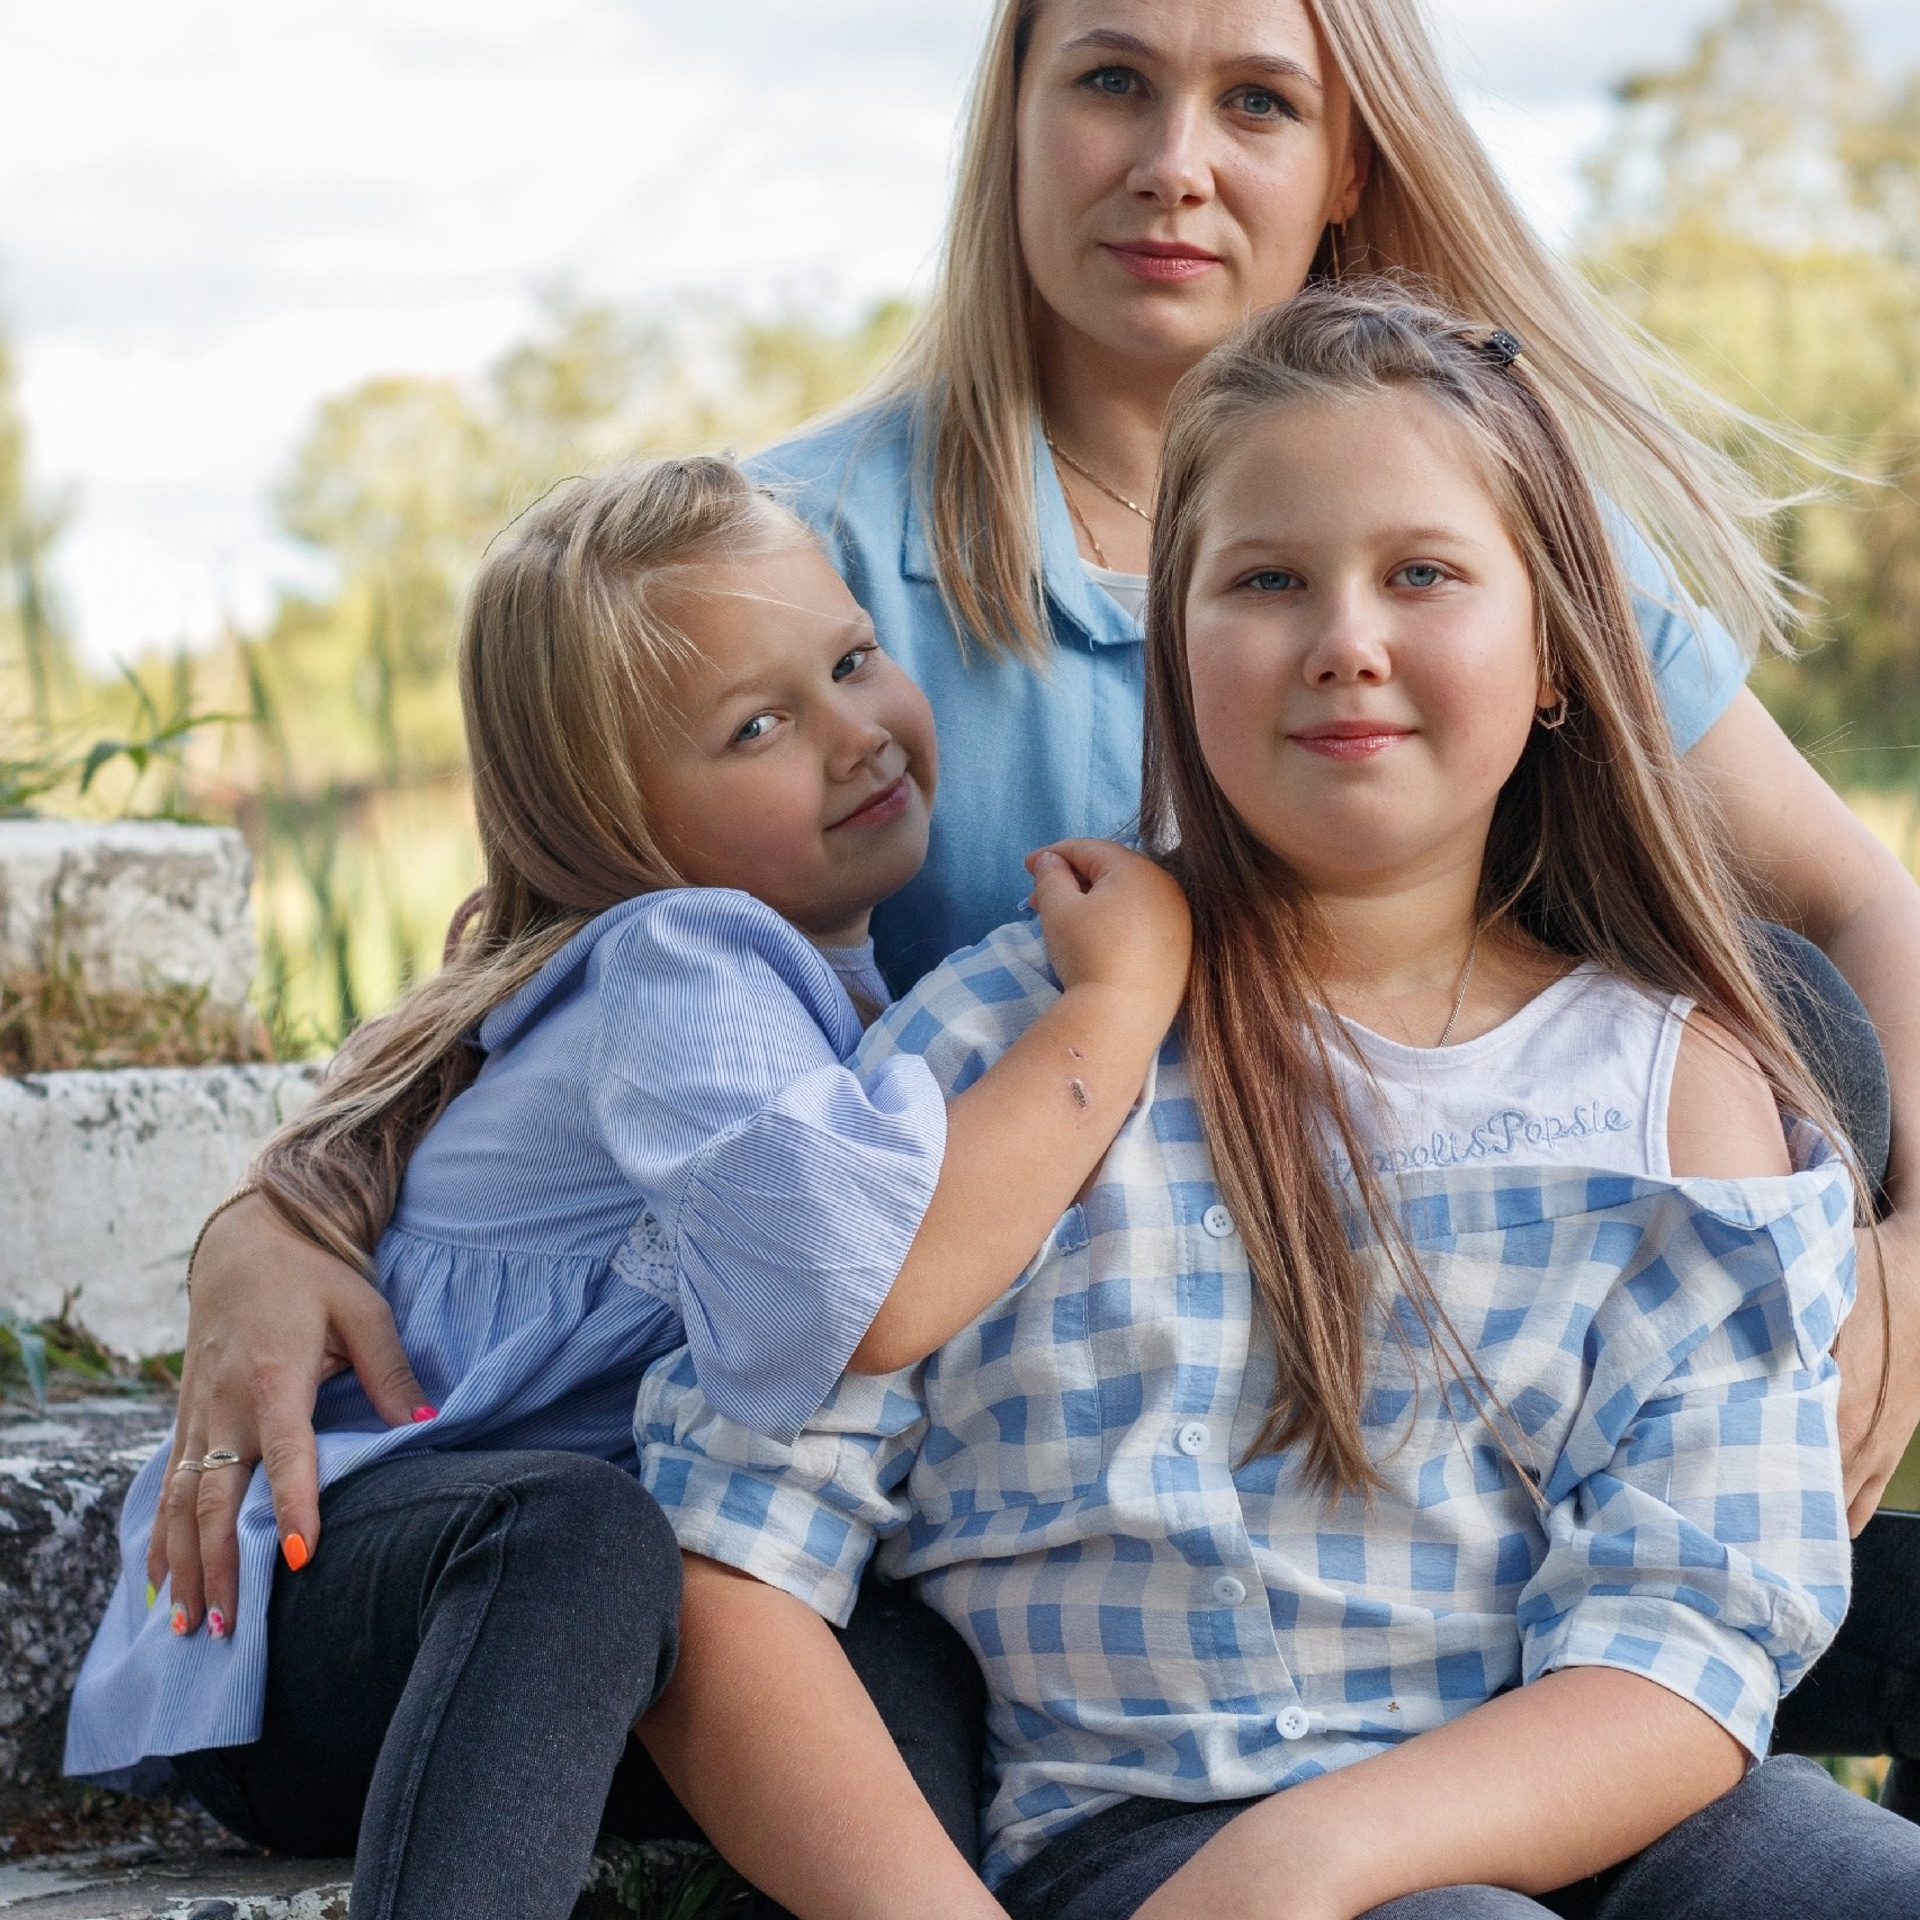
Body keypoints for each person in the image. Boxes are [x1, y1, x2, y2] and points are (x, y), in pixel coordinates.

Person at [161, 0, 1917, 1829]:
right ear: (1007, 122)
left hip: (1448, 1326)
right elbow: (571, 962)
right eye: (1107, 82)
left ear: (1348, 167)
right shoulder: (805, 554)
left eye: (1255, 101)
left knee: (1785, 1017)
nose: (1173, 162)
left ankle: (1646, 1683)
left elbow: (1856, 902)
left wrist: (1901, 1275)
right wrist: (277, 1216)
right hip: (1005, 1402)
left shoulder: (1480, 480)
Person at [632, 287, 1920, 1920]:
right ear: (1174, 650)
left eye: (1426, 574)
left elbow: (1692, 1634)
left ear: (1554, 658)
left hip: (1618, 1815)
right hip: (1151, 1836)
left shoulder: (1683, 1094)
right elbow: (730, 1556)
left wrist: (1311, 1859)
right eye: (1265, 581)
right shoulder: (1010, 1057)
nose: (1345, 640)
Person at [65, 455, 1190, 1920]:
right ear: (613, 817)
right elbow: (866, 1292)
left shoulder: (817, 997)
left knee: (880, 1645)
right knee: (587, 1537)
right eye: (759, 726)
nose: (856, 734)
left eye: (852, 660)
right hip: (333, 1635)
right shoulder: (687, 959)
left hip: (578, 1662)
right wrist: (1117, 1000)